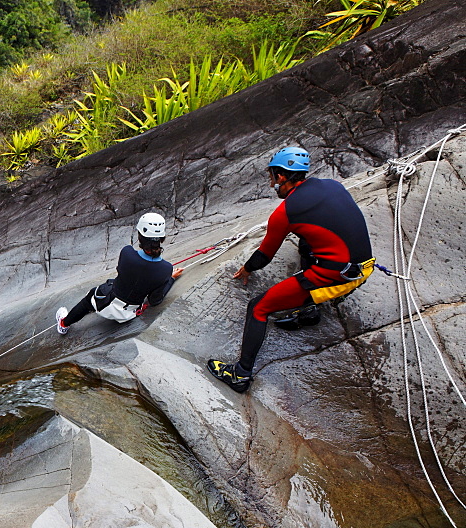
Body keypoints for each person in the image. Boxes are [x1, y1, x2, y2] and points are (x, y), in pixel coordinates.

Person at [207, 146, 374, 393]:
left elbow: (264, 255)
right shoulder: (333, 185)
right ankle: (309, 311)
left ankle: (240, 374)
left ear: (282, 177)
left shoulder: (285, 212)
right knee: (307, 242)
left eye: (272, 176)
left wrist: (246, 269)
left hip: (337, 276)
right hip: (364, 268)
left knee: (258, 307)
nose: (271, 182)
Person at [56, 212, 183, 334]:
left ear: (140, 236)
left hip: (105, 304)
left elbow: (127, 272)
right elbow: (155, 301)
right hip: (128, 315)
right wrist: (170, 279)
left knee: (89, 298)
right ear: (162, 239)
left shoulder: (127, 253)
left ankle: (64, 324)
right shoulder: (166, 269)